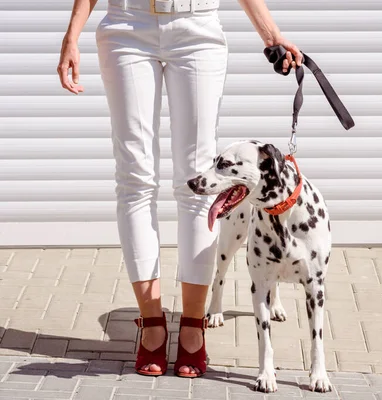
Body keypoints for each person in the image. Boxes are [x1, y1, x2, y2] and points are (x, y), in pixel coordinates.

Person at [57, 0, 302, 378]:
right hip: (127, 24)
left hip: (197, 27)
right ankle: (151, 323)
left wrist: (272, 36)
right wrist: (72, 35)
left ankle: (192, 325)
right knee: (134, 179)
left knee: (197, 183)